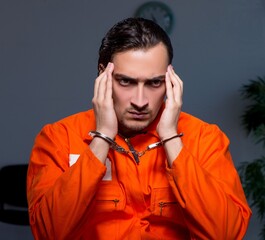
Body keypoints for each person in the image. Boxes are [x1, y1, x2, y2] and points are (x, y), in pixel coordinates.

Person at [27, 17, 251, 239]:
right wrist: (102, 137)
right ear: (102, 74)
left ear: (170, 81)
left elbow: (225, 234)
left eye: (154, 83)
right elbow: (49, 233)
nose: (141, 101)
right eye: (126, 81)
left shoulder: (205, 138)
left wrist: (172, 139)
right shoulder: (58, 138)